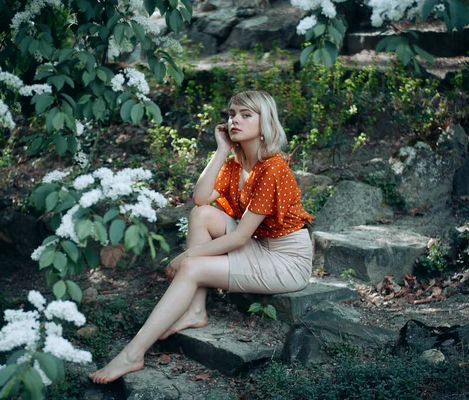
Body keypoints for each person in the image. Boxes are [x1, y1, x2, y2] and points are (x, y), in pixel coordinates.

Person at [89, 90, 313, 384]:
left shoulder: (272, 167)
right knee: (201, 215)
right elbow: (200, 198)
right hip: (260, 245)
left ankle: (133, 354)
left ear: (265, 122)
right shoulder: (236, 164)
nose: (235, 121)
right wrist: (221, 150)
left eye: (246, 115)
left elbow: (238, 238)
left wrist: (185, 257)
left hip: (287, 260)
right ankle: (195, 309)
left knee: (192, 267)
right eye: (232, 114)